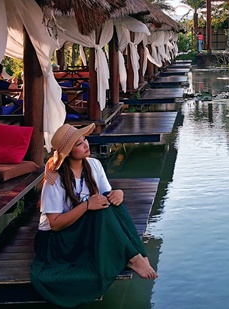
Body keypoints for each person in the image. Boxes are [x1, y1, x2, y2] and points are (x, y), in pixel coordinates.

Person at [31, 123, 157, 307]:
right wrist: (87, 205)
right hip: (55, 240)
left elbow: (107, 196)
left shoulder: (94, 164)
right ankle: (134, 257)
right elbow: (55, 224)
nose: (86, 145)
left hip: (78, 229)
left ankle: (137, 256)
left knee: (112, 204)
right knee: (99, 210)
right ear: (67, 152)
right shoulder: (55, 179)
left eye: (84, 140)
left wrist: (119, 194)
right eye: (79, 144)